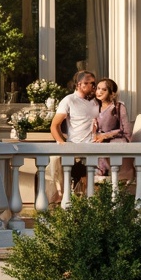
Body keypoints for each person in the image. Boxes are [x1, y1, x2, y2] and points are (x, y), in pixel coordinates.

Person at [47, 71, 98, 202]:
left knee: (89, 189)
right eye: (87, 83)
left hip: (95, 147)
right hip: (75, 148)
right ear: (78, 84)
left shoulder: (95, 102)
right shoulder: (69, 100)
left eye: (93, 83)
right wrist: (62, 143)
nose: (91, 86)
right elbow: (54, 126)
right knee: (73, 186)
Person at [93, 78, 134, 180]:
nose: (99, 92)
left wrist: (106, 135)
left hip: (115, 143)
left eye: (104, 89)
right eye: (98, 88)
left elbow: (126, 131)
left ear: (111, 93)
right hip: (97, 144)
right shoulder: (93, 107)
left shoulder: (118, 107)